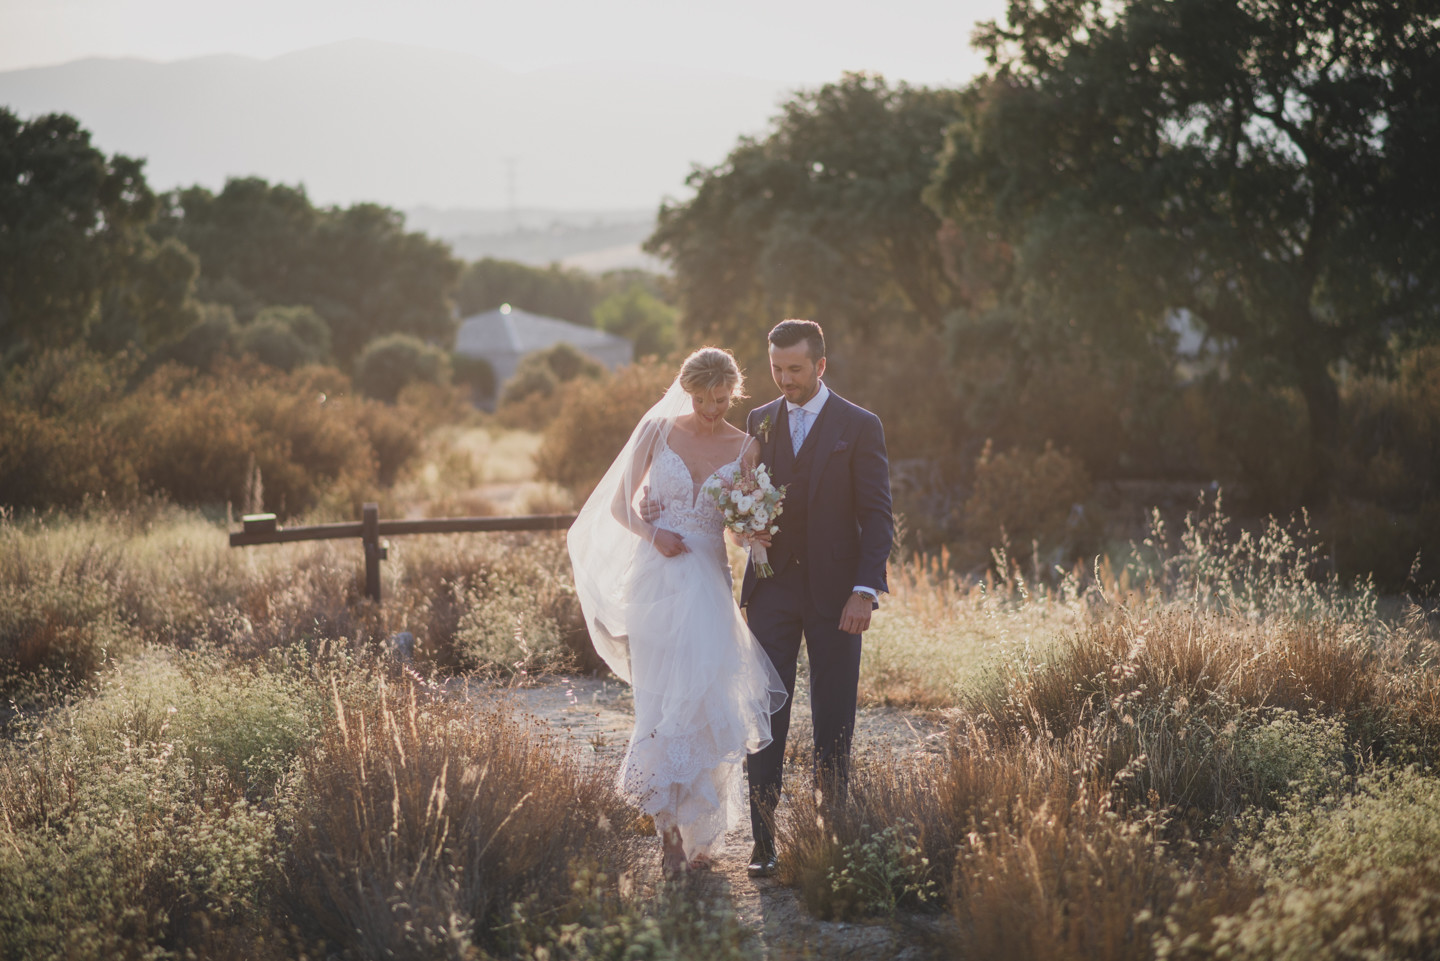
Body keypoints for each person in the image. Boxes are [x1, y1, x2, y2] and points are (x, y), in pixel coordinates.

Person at [567, 347, 787, 879]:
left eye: (720, 399)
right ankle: (667, 837)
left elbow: (736, 526)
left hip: (709, 588)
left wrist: (749, 531)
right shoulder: (657, 432)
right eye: (701, 398)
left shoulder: (746, 446)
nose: (710, 409)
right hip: (656, 584)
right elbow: (620, 507)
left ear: (734, 393)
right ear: (686, 391)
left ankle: (698, 832)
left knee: (704, 708)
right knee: (660, 706)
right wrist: (653, 531)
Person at [739, 319, 894, 878]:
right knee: (765, 713)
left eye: (795, 370)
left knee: (834, 715)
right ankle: (763, 840)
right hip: (772, 591)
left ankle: (833, 833)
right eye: (777, 369)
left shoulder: (860, 425)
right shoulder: (759, 420)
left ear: (820, 366)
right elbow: (746, 498)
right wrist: (744, 530)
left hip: (838, 597)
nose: (784, 380)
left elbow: (878, 517)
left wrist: (864, 591)